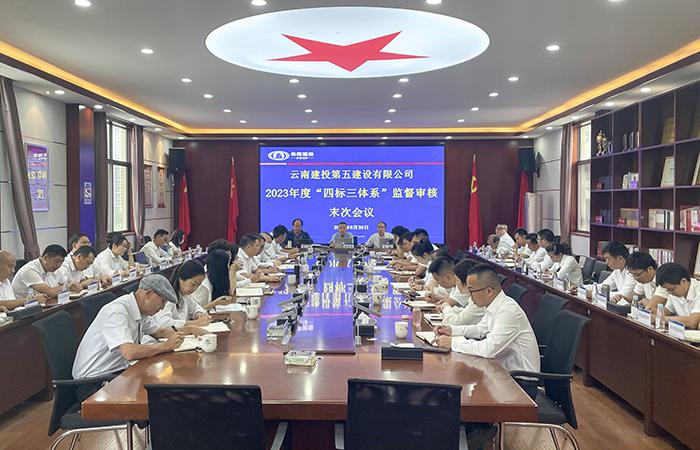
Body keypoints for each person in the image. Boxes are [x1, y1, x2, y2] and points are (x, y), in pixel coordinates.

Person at [71, 274, 186, 384]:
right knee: (158, 386)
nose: (162, 307)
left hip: (117, 372)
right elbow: (129, 352)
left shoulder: (141, 310)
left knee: (162, 381)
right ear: (148, 294)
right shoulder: (117, 311)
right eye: (163, 301)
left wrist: (182, 333)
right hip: (93, 380)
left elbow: (159, 332)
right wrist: (166, 346)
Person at [433, 264, 540, 376]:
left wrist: (452, 343)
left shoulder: (508, 312)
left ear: (489, 291)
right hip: (501, 370)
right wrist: (452, 330)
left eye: (472, 291)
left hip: (520, 379)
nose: (470, 296)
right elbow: (480, 330)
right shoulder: (494, 304)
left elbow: (489, 349)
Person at [152, 260, 211, 332]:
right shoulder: (166, 297)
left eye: (198, 285)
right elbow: (163, 324)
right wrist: (193, 323)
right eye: (193, 284)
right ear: (181, 279)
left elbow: (196, 308)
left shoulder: (185, 295)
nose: (195, 288)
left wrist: (199, 315)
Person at [654, 263, 700, 329]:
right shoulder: (674, 291)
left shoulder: (698, 291)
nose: (669, 293)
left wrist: (662, 318)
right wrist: (654, 313)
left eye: (671, 289)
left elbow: (692, 322)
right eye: (667, 290)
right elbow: (668, 311)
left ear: (683, 281)